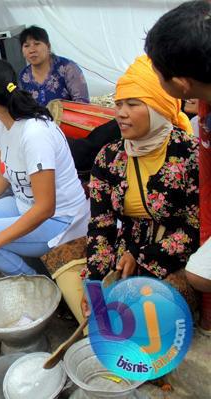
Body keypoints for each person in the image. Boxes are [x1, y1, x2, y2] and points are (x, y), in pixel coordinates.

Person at [80, 56, 199, 315]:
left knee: (147, 313)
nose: (121, 113)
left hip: (174, 252)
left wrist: (141, 258)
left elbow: (195, 226)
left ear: (159, 109)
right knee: (93, 301)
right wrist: (95, 280)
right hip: (126, 248)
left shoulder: (190, 154)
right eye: (118, 103)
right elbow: (102, 224)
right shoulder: (110, 157)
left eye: (132, 104)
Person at [0, 59, 90, 275]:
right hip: (23, 205)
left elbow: (46, 208)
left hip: (61, 220)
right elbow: (2, 172)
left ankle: (33, 281)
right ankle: (19, 266)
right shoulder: (3, 121)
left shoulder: (35, 135)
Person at [144, 0, 211, 330]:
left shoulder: (181, 147)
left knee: (199, 274)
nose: (121, 113)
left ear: (181, 85)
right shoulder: (108, 156)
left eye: (157, 73)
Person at [18, 26, 89, 106]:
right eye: (26, 46)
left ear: (48, 46)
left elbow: (82, 104)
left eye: (37, 44)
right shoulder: (23, 76)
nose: (32, 50)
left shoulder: (67, 68)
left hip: (68, 118)